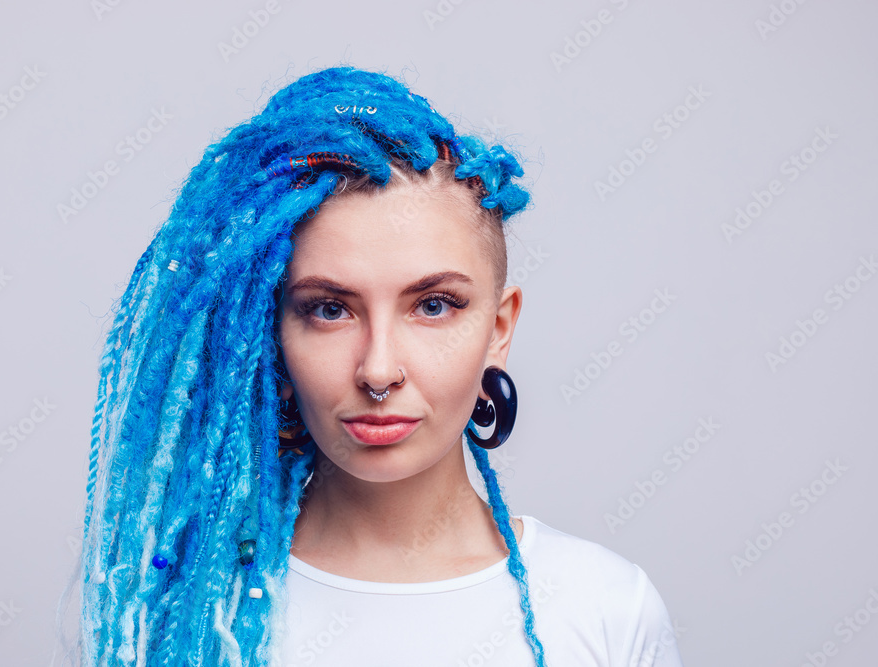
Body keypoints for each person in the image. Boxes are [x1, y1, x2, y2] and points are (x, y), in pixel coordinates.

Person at [79, 66, 684, 666]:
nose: (378, 369)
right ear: (272, 333)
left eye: (432, 305)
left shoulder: (605, 608)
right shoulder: (189, 617)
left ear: (498, 329)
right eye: (329, 310)